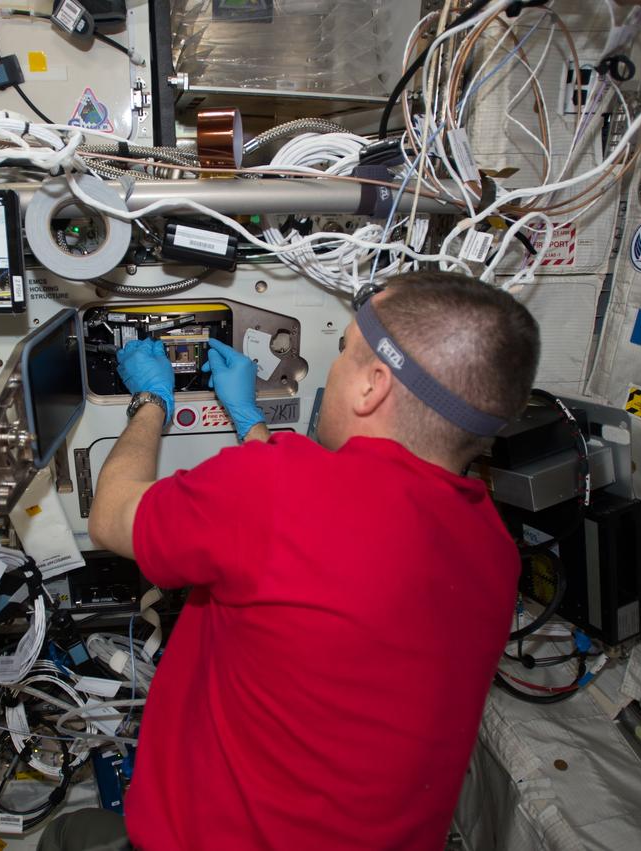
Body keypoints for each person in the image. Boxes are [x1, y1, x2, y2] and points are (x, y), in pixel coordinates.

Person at [85, 270, 541, 850]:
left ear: (373, 386)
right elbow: (324, 532)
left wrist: (151, 402)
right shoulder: (494, 548)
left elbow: (110, 515)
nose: (334, 364)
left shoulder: (273, 490)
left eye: (345, 349)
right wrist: (249, 420)